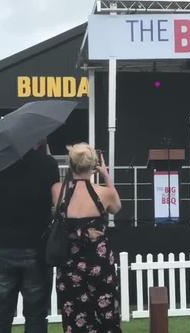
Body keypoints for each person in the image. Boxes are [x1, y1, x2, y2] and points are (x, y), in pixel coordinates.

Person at [0, 140, 59, 333]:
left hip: (1, 244)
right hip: (36, 245)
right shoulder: (47, 164)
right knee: (36, 315)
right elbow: (55, 200)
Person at [53, 143, 122, 333]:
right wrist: (106, 174)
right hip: (99, 263)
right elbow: (117, 207)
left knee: (74, 318)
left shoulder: (58, 190)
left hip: (70, 264)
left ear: (71, 164)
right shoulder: (104, 193)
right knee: (106, 315)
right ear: (93, 165)